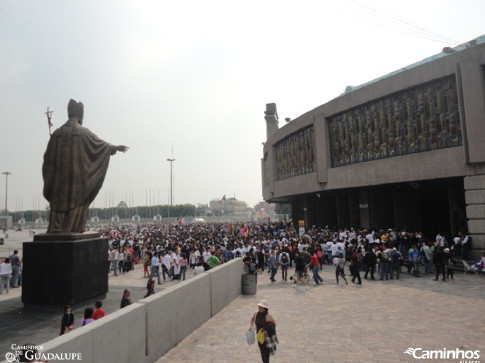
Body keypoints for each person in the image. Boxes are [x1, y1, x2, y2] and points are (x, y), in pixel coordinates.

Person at [42, 99, 128, 233]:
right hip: (77, 182)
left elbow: (47, 160)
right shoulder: (82, 132)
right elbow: (100, 145)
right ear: (80, 116)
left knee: (59, 204)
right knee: (78, 200)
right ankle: (72, 228)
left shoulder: (56, 134)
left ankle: (56, 228)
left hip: (59, 183)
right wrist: (114, 147)